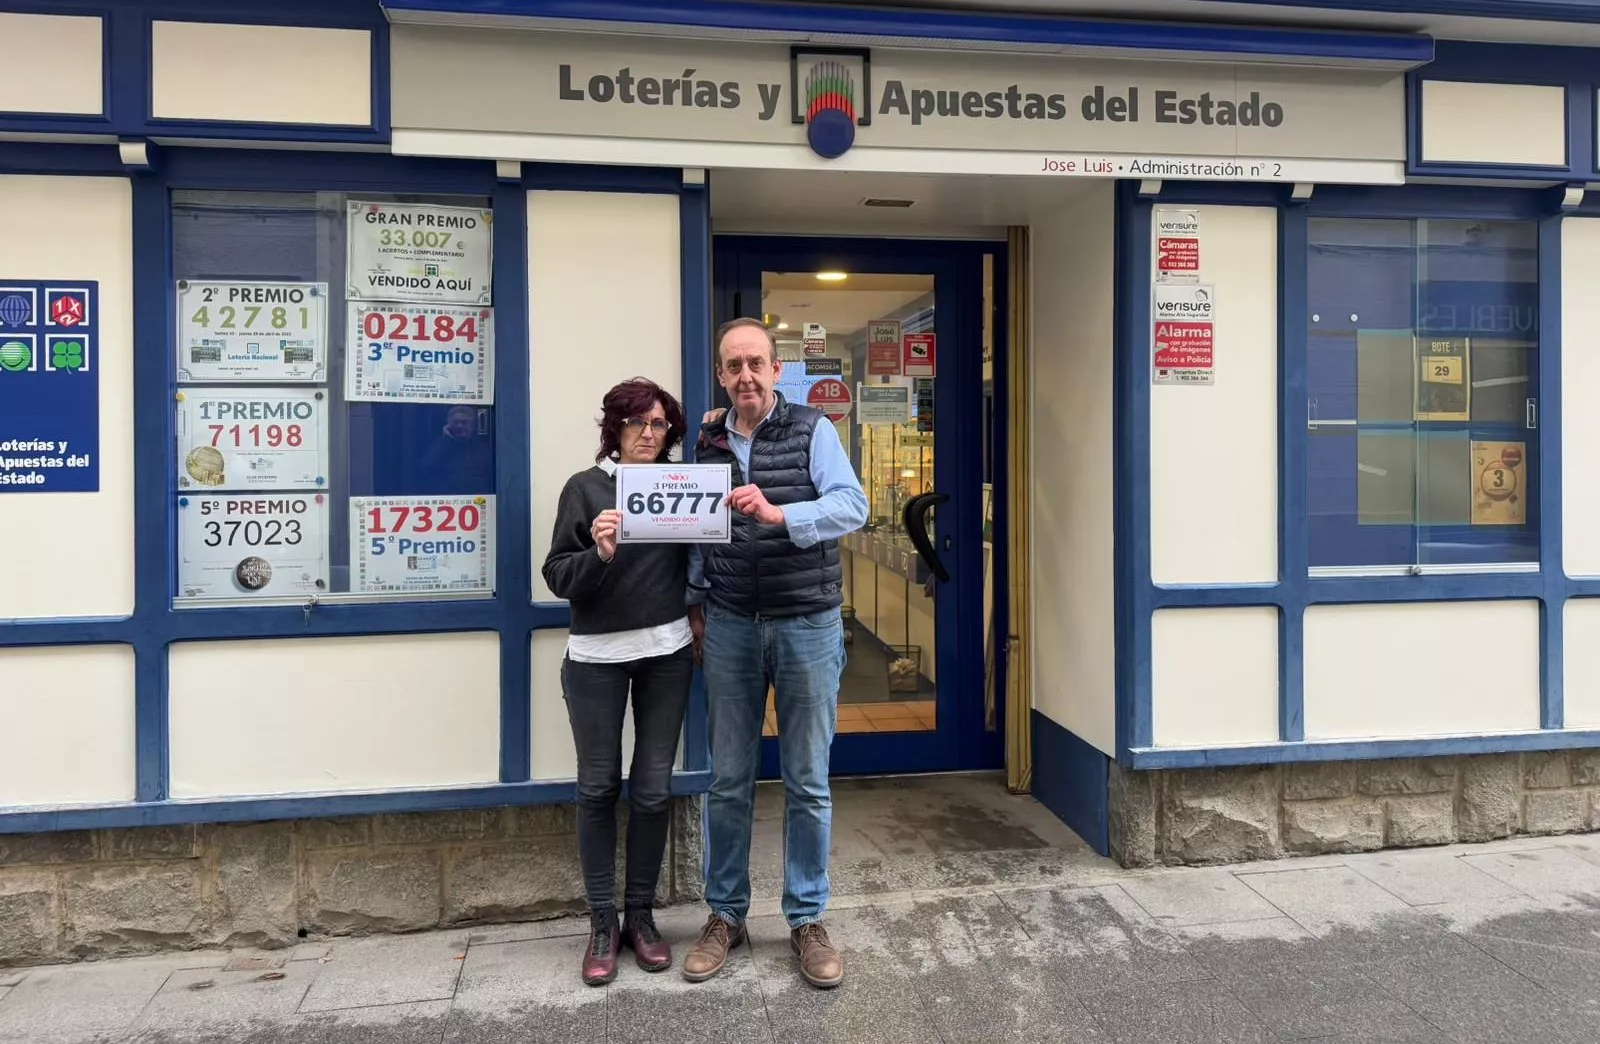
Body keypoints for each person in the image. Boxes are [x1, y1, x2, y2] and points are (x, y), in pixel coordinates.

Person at [681, 318, 869, 989]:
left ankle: (807, 920)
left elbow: (854, 506)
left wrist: (781, 514)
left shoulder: (814, 431)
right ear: (722, 376)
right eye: (733, 366)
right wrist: (696, 604)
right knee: (728, 779)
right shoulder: (704, 438)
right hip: (730, 624)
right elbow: (692, 530)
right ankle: (725, 916)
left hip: (807, 626)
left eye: (756, 363)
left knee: (807, 781)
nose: (746, 377)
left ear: (777, 368)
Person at [541, 377, 694, 986]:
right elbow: (556, 575)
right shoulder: (586, 488)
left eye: (658, 425)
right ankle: (602, 920)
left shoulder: (681, 489)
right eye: (636, 424)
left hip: (668, 654)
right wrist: (599, 554)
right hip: (595, 658)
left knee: (654, 790)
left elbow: (704, 558)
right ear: (615, 429)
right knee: (599, 787)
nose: (648, 435)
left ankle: (641, 915)